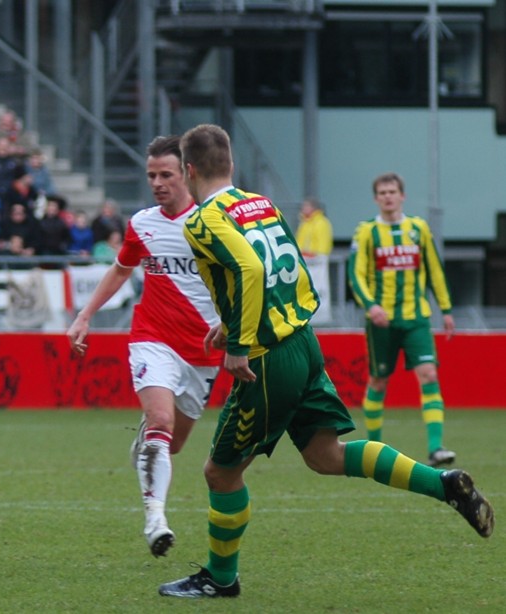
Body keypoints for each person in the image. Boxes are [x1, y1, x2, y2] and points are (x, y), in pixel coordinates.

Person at [156, 124, 494, 600]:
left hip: (267, 357)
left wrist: (239, 340)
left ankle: (220, 578)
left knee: (220, 472)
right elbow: (280, 264)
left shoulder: (201, 220)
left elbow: (250, 268)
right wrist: (233, 320)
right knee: (325, 455)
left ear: (188, 171)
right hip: (303, 340)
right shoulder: (261, 204)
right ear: (231, 166)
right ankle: (443, 484)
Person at [67, 135, 222, 557]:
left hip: (205, 352)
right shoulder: (142, 224)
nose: (157, 182)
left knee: (171, 444)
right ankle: (155, 520)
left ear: (187, 172)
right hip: (152, 339)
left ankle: (149, 442)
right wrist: (85, 316)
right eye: (151, 175)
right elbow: (120, 272)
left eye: (166, 174)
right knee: (160, 421)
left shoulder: (213, 224)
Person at [348, 172, 457, 467]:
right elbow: (355, 274)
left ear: (402, 195)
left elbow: (435, 269)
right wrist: (371, 306)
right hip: (381, 321)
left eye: (392, 191)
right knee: (379, 381)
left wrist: (446, 309)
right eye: (382, 192)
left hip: (416, 318)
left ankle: (435, 448)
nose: (388, 196)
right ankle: (373, 449)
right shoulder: (366, 232)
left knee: (429, 375)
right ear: (376, 198)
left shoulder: (418, 229)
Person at [295, 197, 333, 324]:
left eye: (307, 206)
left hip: (315, 263)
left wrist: (315, 254)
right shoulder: (304, 222)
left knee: (318, 286)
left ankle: (320, 316)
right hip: (304, 261)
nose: (303, 209)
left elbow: (323, 244)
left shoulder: (322, 222)